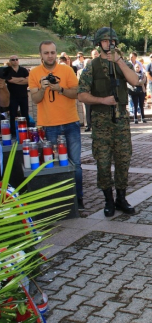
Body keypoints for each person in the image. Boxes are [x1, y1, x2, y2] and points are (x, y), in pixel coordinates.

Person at [77, 27, 139, 217]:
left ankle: (121, 198)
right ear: (99, 44)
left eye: (111, 41)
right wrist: (102, 100)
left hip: (121, 122)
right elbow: (81, 95)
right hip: (101, 122)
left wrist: (119, 61)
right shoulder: (92, 66)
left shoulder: (123, 63)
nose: (108, 44)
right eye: (105, 41)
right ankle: (108, 200)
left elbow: (135, 81)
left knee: (123, 161)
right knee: (103, 163)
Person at [28, 41, 84, 209]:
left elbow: (76, 93)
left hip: (70, 123)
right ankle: (58, 200)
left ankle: (78, 199)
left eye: (52, 52)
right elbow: (35, 99)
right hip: (48, 125)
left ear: (56, 53)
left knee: (76, 163)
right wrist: (44, 88)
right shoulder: (34, 73)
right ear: (41, 55)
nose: (50, 56)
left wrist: (60, 89)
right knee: (52, 164)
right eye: (46, 53)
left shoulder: (66, 70)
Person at [3, 55, 29, 138]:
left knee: (25, 114)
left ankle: (27, 130)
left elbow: (28, 80)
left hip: (23, 95)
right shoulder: (7, 70)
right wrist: (22, 79)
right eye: (13, 60)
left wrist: (15, 80)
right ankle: (13, 132)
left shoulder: (23, 70)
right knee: (13, 115)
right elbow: (9, 80)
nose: (15, 61)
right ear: (10, 61)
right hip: (12, 96)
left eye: (16, 59)